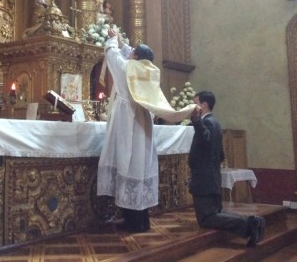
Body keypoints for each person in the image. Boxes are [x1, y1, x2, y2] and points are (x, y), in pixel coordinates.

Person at [97, 29, 196, 232]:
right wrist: (123, 43)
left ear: (135, 58)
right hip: (144, 124)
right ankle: (143, 220)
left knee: (128, 164)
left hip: (127, 123)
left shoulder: (127, 70)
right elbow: (129, 54)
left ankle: (132, 222)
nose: (130, 54)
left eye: (132, 53)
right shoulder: (149, 73)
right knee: (139, 170)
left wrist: (113, 39)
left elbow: (112, 54)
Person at [189, 90, 265, 247]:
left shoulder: (206, 122)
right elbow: (220, 154)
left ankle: (251, 224)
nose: (192, 106)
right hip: (211, 177)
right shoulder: (215, 123)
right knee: (215, 213)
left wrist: (196, 121)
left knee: (206, 218)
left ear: (203, 105)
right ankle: (251, 224)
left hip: (204, 179)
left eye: (195, 102)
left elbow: (206, 140)